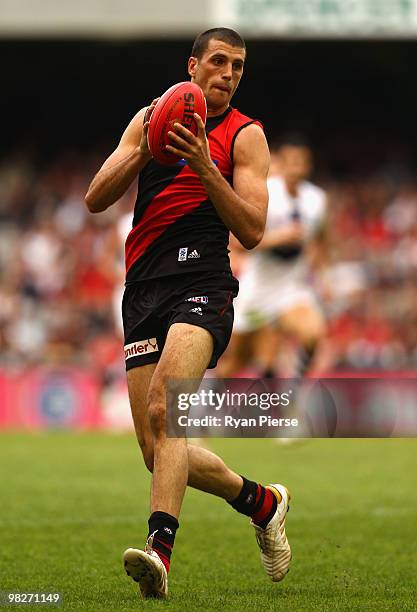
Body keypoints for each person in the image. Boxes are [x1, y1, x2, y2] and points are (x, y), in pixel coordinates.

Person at [85, 27, 291, 599]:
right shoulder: (151, 117)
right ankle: (262, 501)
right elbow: (96, 197)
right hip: (142, 289)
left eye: (239, 66)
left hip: (203, 283)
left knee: (165, 407)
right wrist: (146, 147)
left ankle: (159, 551)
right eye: (220, 62)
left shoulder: (246, 135)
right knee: (157, 453)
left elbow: (251, 230)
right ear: (193, 66)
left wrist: (204, 166)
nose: (229, 73)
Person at [220, 135, 327, 381]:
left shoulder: (317, 200)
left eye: (301, 163)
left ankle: (295, 389)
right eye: (290, 162)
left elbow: (321, 238)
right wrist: (276, 239)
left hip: (291, 289)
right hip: (258, 291)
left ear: (308, 166)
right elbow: (236, 243)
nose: (295, 169)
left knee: (313, 332)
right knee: (237, 362)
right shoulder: (266, 193)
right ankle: (206, 406)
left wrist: (320, 273)